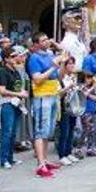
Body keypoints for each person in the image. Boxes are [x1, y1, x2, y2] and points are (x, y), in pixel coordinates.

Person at [26, 33, 64, 178]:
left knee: (48, 130)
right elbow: (37, 79)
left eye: (47, 39)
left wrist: (61, 65)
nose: (47, 41)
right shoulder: (34, 58)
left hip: (53, 93)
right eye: (43, 40)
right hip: (42, 96)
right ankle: (40, 164)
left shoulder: (49, 55)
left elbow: (58, 76)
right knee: (41, 130)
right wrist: (53, 66)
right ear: (36, 44)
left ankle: (45, 160)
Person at [0, 45, 28, 169]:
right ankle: (4, 159)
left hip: (17, 103)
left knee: (13, 132)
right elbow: (2, 90)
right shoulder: (2, 71)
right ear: (5, 59)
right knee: (7, 132)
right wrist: (18, 94)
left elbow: (19, 85)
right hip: (7, 103)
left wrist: (21, 93)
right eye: (12, 56)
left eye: (16, 55)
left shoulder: (15, 70)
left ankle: (10, 157)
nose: (15, 58)